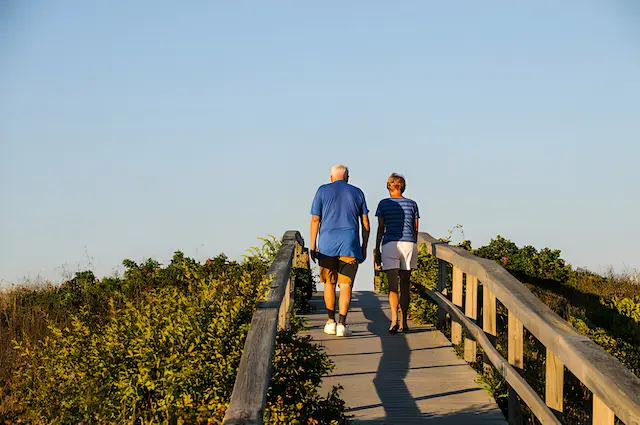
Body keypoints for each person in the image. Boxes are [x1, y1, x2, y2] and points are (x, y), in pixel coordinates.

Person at [310, 164, 370, 337]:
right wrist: (364, 246)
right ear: (347, 177)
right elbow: (365, 224)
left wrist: (313, 245)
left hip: (327, 245)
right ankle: (342, 324)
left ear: (331, 177)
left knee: (329, 283)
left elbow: (315, 220)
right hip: (349, 244)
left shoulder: (322, 191)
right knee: (346, 285)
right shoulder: (357, 192)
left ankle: (330, 321)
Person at [374, 173, 420, 333]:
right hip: (408, 244)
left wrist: (376, 248)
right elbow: (415, 229)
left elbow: (381, 228)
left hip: (390, 244)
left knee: (393, 287)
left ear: (388, 186)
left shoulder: (383, 204)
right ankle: (404, 322)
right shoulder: (412, 204)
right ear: (403, 187)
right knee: (405, 285)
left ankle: (394, 320)